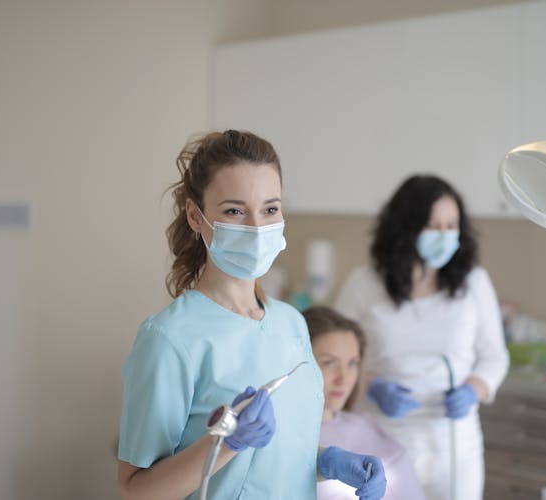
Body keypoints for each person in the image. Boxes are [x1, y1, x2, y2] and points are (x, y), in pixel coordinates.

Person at [117, 130, 387, 500]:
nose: (257, 228)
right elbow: (136, 490)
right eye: (234, 211)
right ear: (196, 217)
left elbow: (274, 461)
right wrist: (228, 443)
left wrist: (327, 462)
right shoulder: (170, 338)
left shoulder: (291, 323)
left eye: (270, 209)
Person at [334, 175, 509, 500]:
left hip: (454, 443)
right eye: (433, 226)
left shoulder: (474, 283)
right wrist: (372, 386)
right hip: (383, 436)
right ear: (405, 228)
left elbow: (494, 356)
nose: (443, 236)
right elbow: (332, 357)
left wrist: (474, 390)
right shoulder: (363, 284)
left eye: (451, 226)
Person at [303, 306, 427, 500]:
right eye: (329, 362)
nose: (343, 379)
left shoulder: (369, 432)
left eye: (352, 363)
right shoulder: (273, 434)